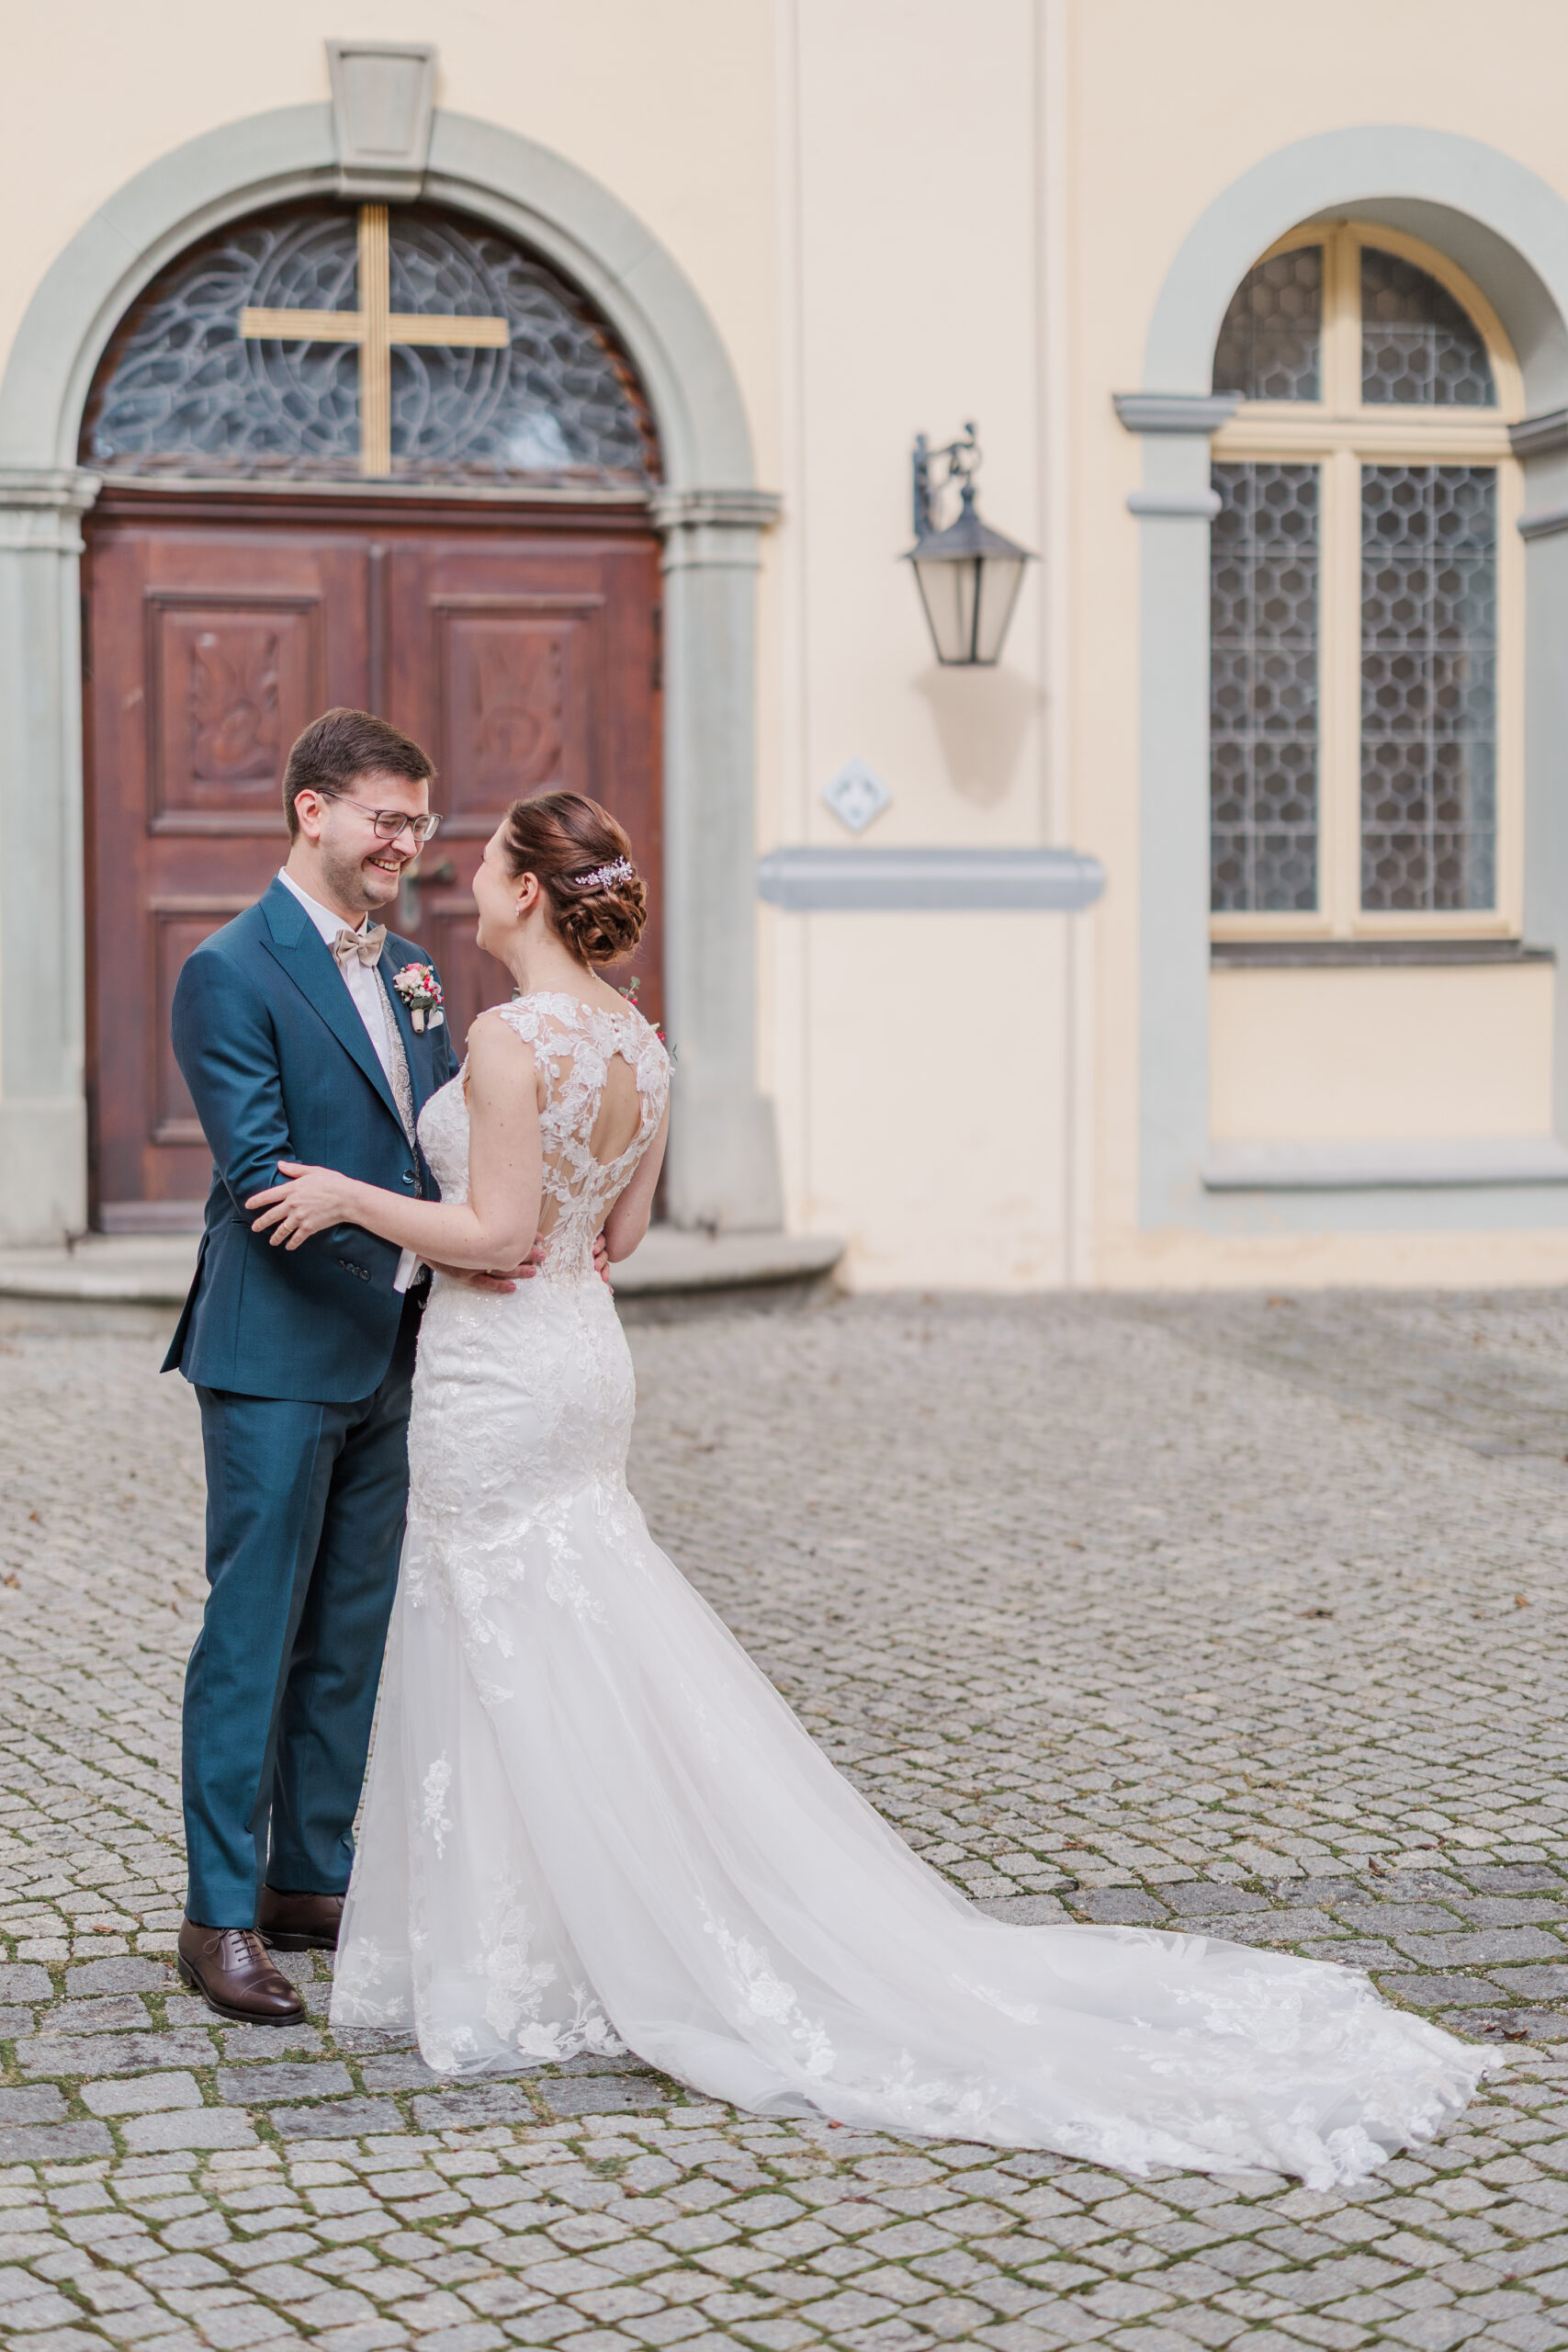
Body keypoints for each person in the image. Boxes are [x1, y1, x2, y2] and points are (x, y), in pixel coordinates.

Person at [250, 788, 1491, 2186]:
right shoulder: (641, 1044)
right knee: (574, 1619)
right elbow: (621, 1235)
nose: (464, 877)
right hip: (583, 1361)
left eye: (483, 860)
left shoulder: (506, 1038)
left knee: (505, 1630)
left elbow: (494, 1232)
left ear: (528, 890)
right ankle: (580, 1917)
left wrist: (350, 1198)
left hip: (499, 1370)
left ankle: (523, 1947)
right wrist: (538, 1236)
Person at [164, 707, 468, 2023]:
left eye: (418, 821)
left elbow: (438, 1137)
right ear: (312, 810)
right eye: (387, 819)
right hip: (277, 1351)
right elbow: (265, 1179)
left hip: (397, 1348)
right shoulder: (228, 970)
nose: (407, 842)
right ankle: (218, 1914)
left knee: (349, 1631)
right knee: (254, 1633)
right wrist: (414, 1249)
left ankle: (306, 1875)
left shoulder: (417, 971)